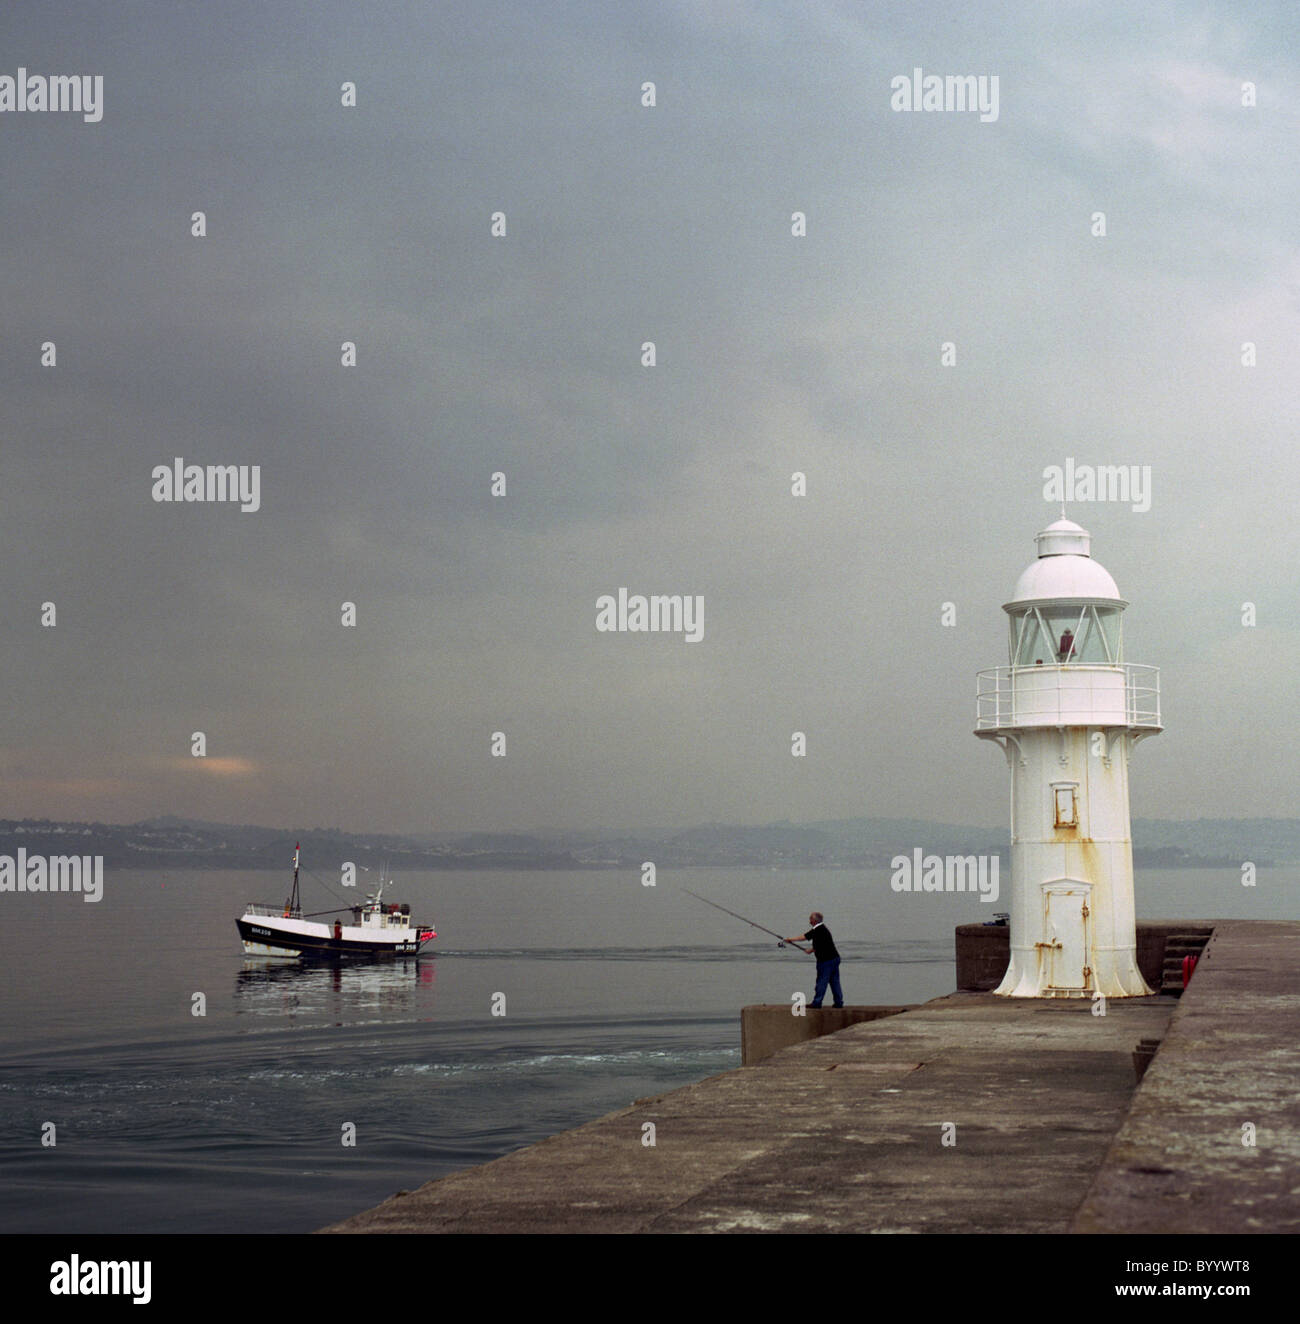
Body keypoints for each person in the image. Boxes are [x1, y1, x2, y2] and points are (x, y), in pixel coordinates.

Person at [786, 911, 843, 1008]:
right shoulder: (823, 929)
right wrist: (811, 950)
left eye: (810, 919)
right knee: (834, 981)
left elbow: (804, 937)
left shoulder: (817, 930)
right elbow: (822, 944)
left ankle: (817, 1003)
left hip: (826, 961)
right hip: (834, 958)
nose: (809, 922)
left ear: (814, 921)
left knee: (821, 981)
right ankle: (839, 1003)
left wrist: (790, 939)